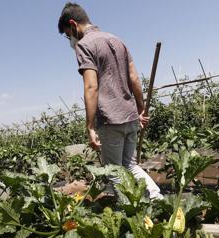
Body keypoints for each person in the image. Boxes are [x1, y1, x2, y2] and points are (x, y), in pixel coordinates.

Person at [58, 2, 163, 200]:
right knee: (131, 166)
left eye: (67, 34)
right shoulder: (116, 39)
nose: (70, 39)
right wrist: (141, 110)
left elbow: (91, 87)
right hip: (130, 116)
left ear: (73, 24)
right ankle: (159, 202)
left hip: (110, 119)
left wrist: (89, 126)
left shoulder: (84, 45)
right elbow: (134, 78)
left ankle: (131, 217)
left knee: (114, 172)